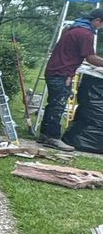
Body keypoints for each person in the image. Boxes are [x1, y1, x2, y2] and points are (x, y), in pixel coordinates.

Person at [40, 9, 103, 147]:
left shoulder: (72, 27)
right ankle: (53, 138)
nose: (101, 27)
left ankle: (44, 135)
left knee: (53, 104)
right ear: (97, 20)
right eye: (101, 24)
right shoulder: (86, 33)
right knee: (58, 105)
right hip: (61, 73)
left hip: (54, 70)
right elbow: (91, 58)